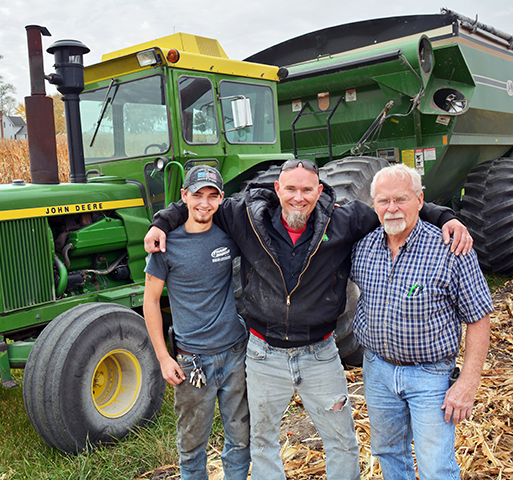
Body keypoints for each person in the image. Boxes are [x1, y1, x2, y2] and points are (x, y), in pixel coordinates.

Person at [144, 159, 473, 480]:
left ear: (319, 191)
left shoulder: (343, 220)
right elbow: (198, 203)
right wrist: (161, 222)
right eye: (290, 189)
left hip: (320, 355)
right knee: (261, 441)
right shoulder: (247, 216)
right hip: (264, 354)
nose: (297, 197)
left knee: (342, 443)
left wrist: (444, 217)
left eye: (306, 190)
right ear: (277, 189)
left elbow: (395, 206)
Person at [350, 164, 492, 480]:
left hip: (430, 376)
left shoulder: (450, 248)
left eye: (400, 199)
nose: (392, 208)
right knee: (388, 454)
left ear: (420, 200)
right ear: (374, 205)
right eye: (383, 201)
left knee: (435, 466)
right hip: (377, 370)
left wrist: (467, 385)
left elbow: (479, 318)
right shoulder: (363, 247)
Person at [143, 165, 250, 480]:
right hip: (193, 364)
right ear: (184, 196)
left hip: (234, 354)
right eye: (197, 195)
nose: (204, 203)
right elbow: (150, 302)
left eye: (212, 196)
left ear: (221, 199)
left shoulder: (229, 236)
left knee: (240, 440)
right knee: (191, 446)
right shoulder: (165, 245)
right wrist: (164, 357)